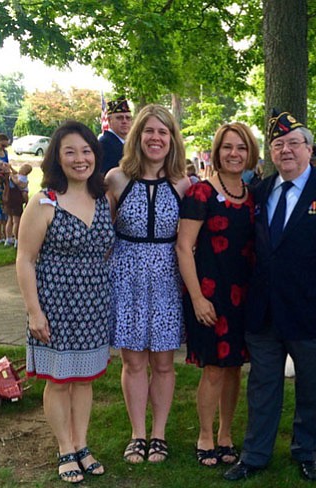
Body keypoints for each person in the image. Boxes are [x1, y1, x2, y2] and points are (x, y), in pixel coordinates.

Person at [223, 110, 316, 482]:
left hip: (314, 314)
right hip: (264, 313)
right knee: (263, 387)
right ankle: (254, 454)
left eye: (293, 143)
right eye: (278, 144)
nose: (286, 150)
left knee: (314, 389)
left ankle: (307, 450)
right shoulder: (260, 191)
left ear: (310, 149)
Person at [16, 121, 115, 484]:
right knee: (59, 380)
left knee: (84, 380)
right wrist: (34, 311)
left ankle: (82, 444)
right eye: (70, 151)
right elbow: (25, 259)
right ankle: (64, 448)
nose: (80, 158)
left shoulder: (104, 198)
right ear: (57, 157)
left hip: (93, 306)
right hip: (54, 306)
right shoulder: (44, 202)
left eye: (86, 151)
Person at [107, 104, 190, 464]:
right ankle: (137, 434)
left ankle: (159, 434)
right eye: (149, 131)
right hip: (126, 277)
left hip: (168, 278)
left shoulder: (184, 185)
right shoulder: (116, 179)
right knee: (133, 362)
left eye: (163, 132)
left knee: (164, 363)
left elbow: (190, 240)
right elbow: (103, 232)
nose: (156, 138)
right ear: (137, 136)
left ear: (172, 140)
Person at [177, 123, 258, 467]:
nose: (234, 154)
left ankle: (226, 434)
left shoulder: (253, 194)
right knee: (213, 368)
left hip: (244, 295)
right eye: (227, 147)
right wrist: (196, 298)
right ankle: (205, 435)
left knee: (234, 368)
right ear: (216, 152)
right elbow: (183, 247)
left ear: (250, 152)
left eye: (241, 147)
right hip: (210, 294)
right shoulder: (201, 194)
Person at [99, 96, 132, 174]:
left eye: (128, 118)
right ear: (110, 120)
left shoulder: (126, 143)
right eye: (119, 118)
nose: (124, 121)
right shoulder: (104, 144)